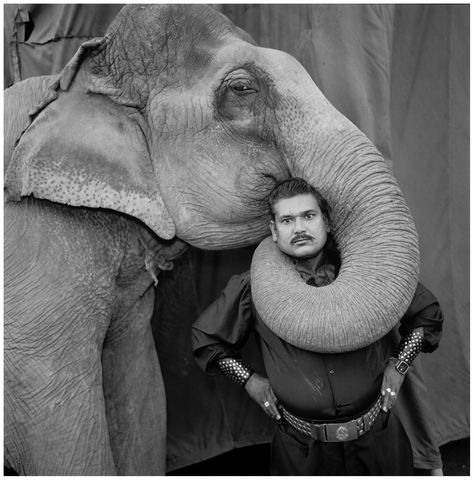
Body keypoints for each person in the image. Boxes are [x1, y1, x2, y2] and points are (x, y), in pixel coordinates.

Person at [192, 178, 443, 475]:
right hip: (302, 453)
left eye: (308, 216)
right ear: (274, 231)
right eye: (287, 220)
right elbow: (206, 340)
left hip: (378, 443)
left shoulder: (368, 270)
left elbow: (426, 314)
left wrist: (400, 365)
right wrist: (249, 381)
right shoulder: (256, 286)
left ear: (326, 222)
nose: (299, 228)